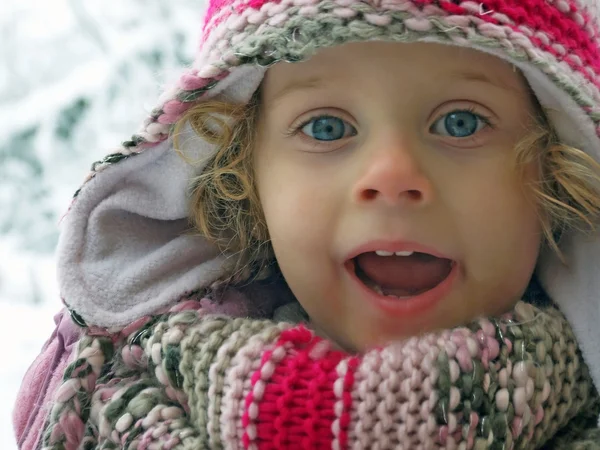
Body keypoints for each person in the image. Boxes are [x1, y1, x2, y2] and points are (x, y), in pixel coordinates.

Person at [13, 0, 600, 448]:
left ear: (558, 174)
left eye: (462, 123)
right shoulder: (111, 411)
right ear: (245, 179)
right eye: (326, 128)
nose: (392, 175)